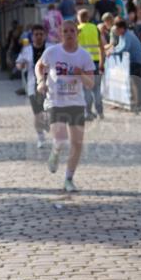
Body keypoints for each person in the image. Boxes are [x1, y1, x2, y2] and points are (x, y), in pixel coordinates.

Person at [35, 19, 95, 193]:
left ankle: (69, 178)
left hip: (76, 102)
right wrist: (41, 81)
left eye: (72, 31)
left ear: (77, 33)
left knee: (77, 143)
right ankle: (55, 152)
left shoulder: (84, 56)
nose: (69, 34)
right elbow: (40, 66)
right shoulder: (52, 52)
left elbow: (90, 84)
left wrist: (80, 74)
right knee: (60, 138)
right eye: (65, 31)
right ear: (61, 34)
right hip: (56, 101)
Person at [15, 24, 48, 148]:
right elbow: (19, 62)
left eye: (41, 34)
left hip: (50, 84)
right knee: (38, 113)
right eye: (36, 34)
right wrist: (20, 66)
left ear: (44, 35)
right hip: (33, 84)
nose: (39, 37)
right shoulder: (27, 49)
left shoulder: (50, 48)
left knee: (48, 111)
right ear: (32, 36)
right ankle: (40, 136)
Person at [106, 17, 141, 112]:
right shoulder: (123, 35)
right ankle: (134, 103)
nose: (115, 31)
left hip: (137, 61)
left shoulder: (128, 35)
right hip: (133, 61)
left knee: (136, 82)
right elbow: (120, 46)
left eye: (117, 29)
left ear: (121, 28)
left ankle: (139, 104)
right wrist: (113, 50)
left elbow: (125, 48)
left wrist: (112, 52)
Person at [76, 8, 105, 120]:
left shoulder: (77, 30)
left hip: (83, 64)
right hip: (96, 62)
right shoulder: (95, 28)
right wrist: (102, 62)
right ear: (88, 17)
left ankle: (88, 113)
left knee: (86, 89)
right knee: (97, 89)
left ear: (79, 18)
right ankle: (100, 112)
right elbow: (101, 47)